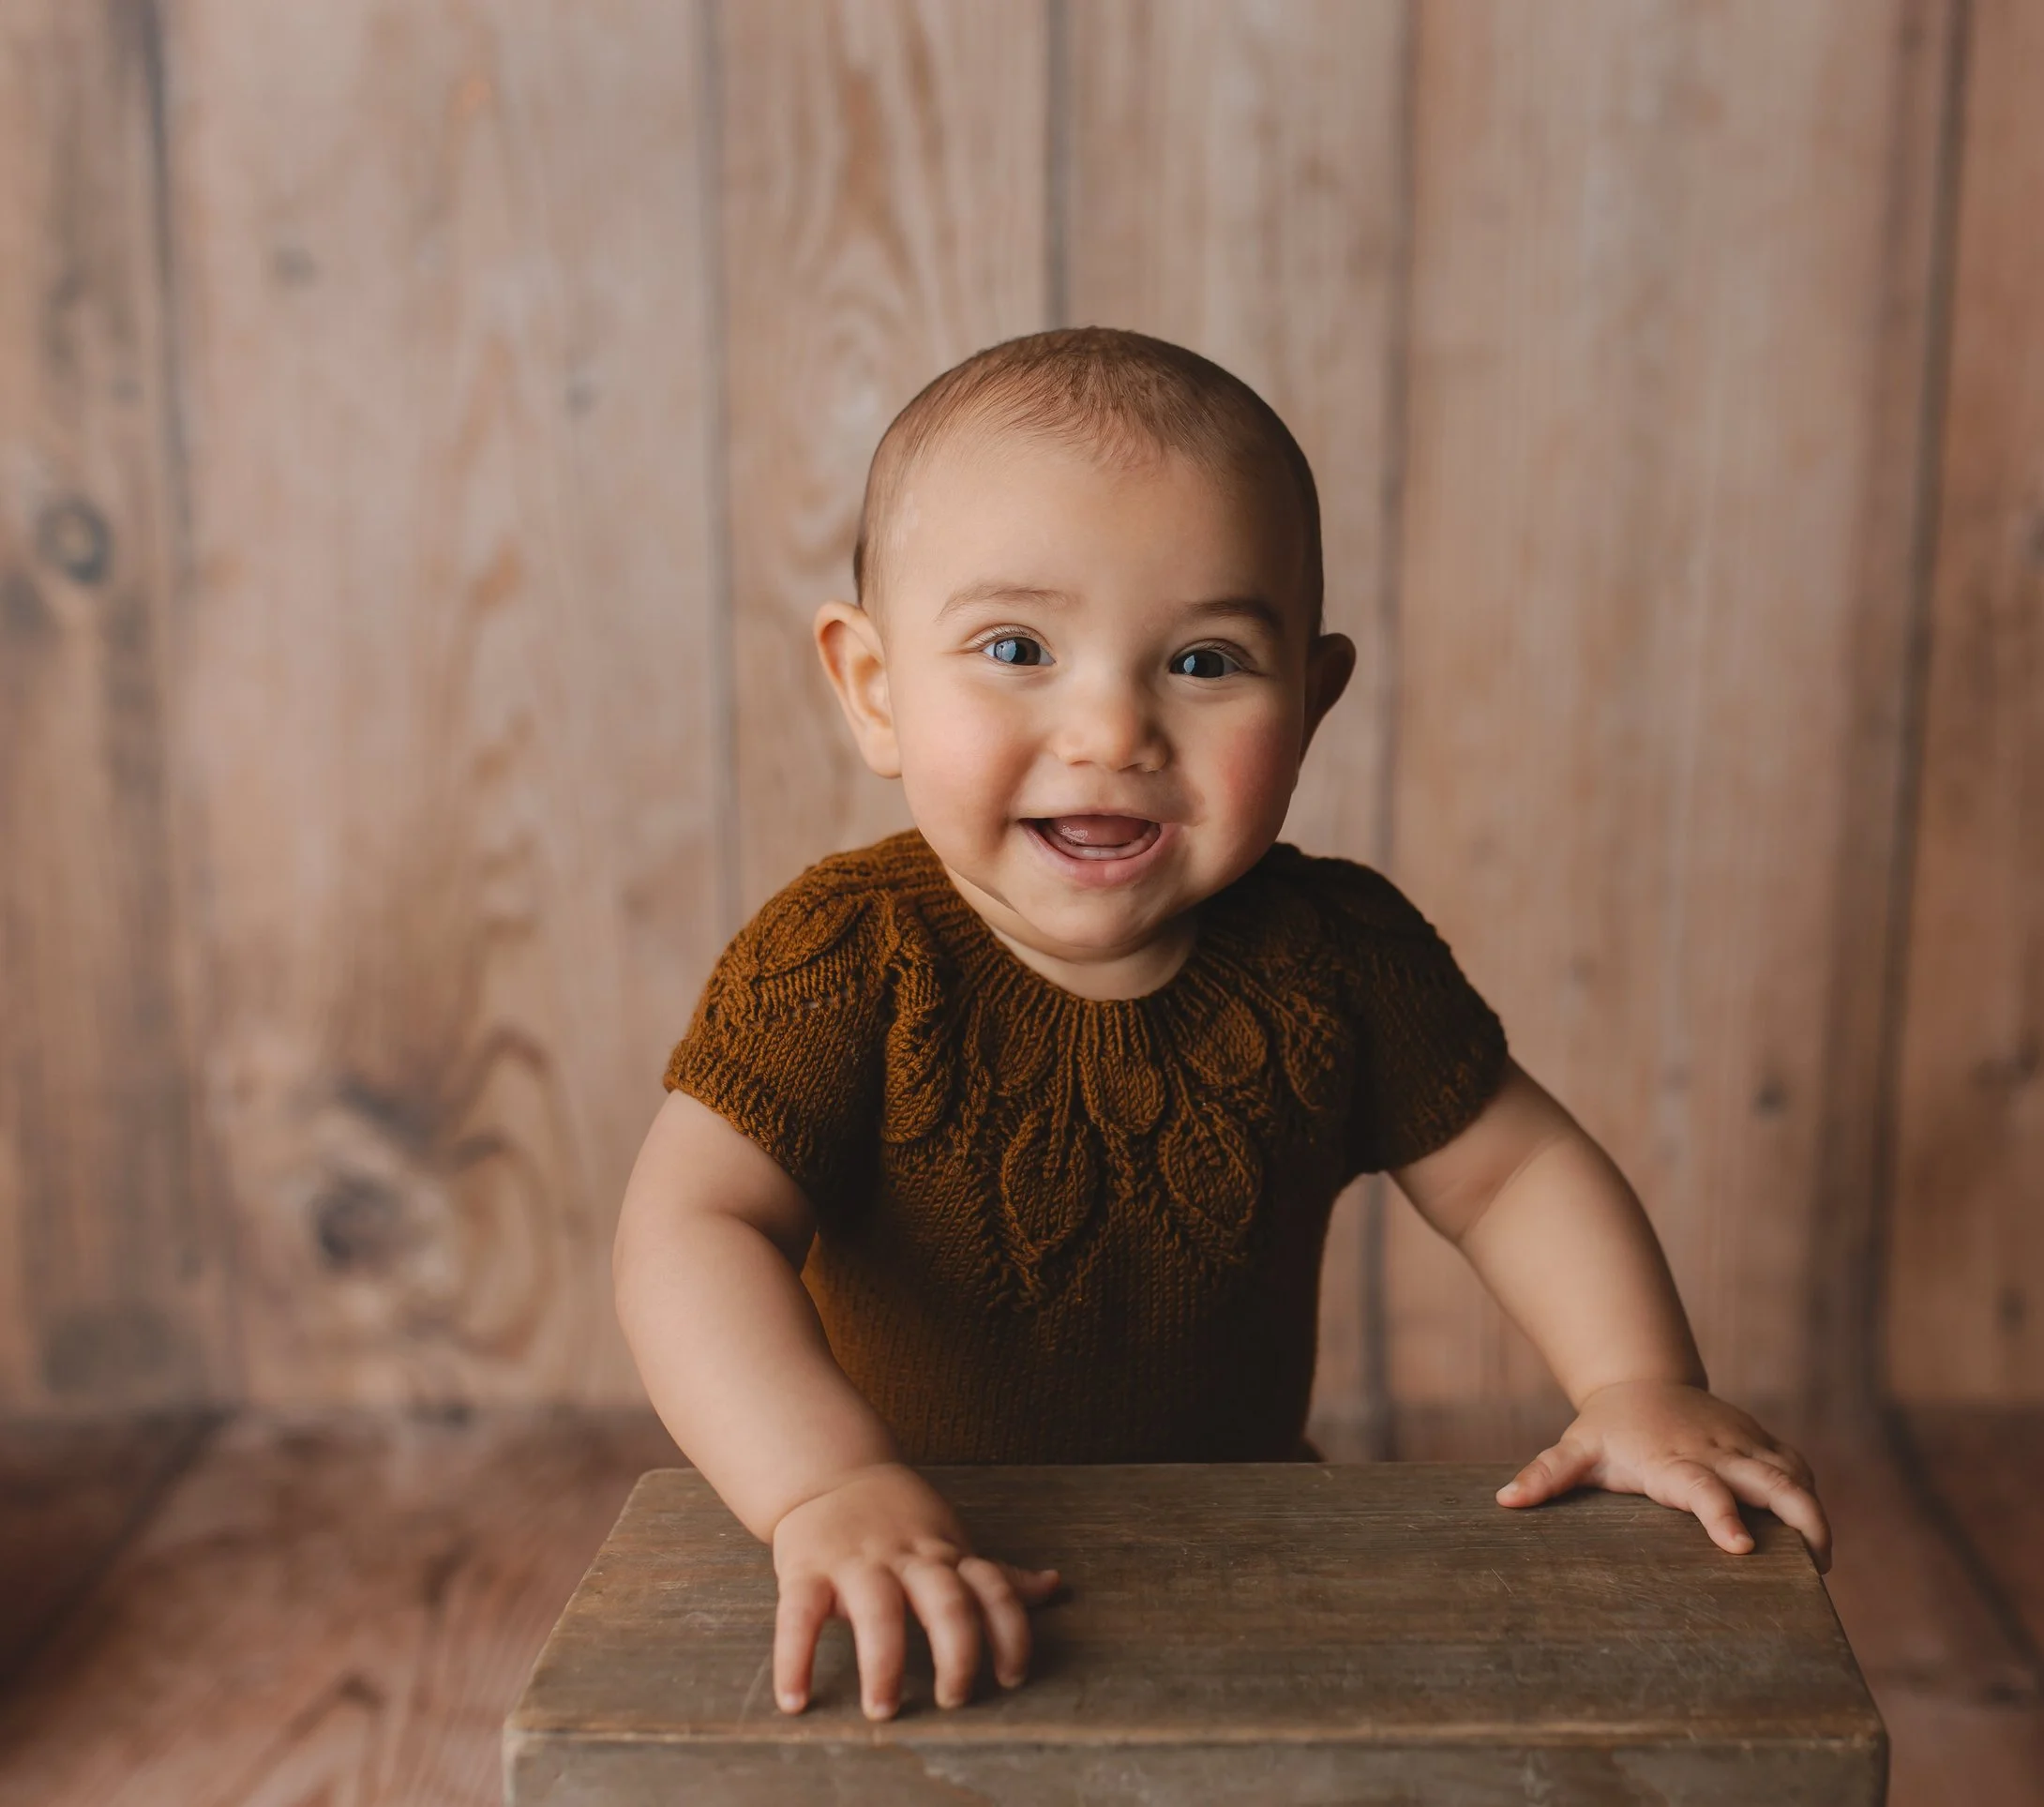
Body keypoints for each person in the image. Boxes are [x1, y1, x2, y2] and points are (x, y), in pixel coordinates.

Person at [613, 326, 1832, 1724]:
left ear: (1311, 701)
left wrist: (1637, 1381)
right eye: (1017, 648)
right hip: (898, 1548)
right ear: (875, 688)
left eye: (1204, 661)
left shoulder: (1334, 961)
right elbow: (693, 1227)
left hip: (1242, 1551)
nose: (1112, 729)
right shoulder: (848, 958)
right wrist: (824, 1484)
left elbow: (1514, 1173)